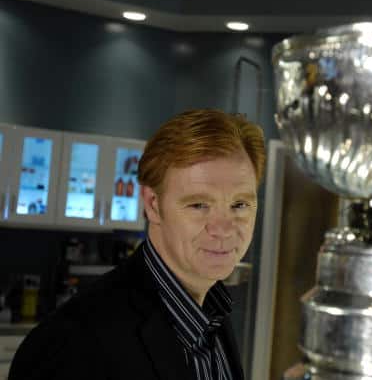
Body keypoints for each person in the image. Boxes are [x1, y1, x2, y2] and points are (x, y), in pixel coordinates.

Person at [9, 109, 266, 380]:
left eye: (240, 204)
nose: (224, 229)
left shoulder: (214, 311)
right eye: (199, 205)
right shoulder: (70, 344)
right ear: (153, 205)